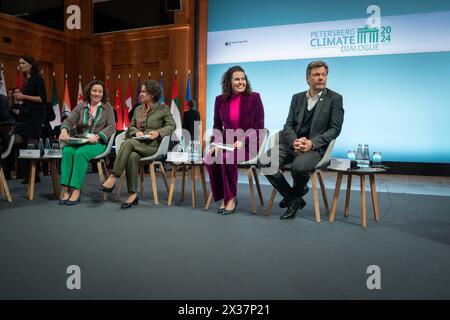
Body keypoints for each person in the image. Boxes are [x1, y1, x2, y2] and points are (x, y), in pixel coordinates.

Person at [264, 60, 344, 220]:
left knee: (298, 168)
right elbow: (288, 125)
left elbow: (335, 129)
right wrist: (294, 141)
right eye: (316, 75)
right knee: (265, 162)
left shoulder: (334, 98)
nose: (321, 78)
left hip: (314, 148)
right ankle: (294, 198)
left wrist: (311, 143)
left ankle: (296, 193)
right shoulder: (297, 97)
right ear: (308, 79)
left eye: (323, 75)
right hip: (291, 144)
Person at [101, 80, 175, 209]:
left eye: (143, 91)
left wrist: (158, 132)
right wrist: (137, 132)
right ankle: (132, 194)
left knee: (128, 143)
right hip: (138, 143)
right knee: (132, 156)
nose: (140, 94)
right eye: (140, 91)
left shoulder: (163, 108)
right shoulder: (138, 109)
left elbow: (172, 125)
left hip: (152, 146)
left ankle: (113, 176)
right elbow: (131, 126)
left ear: (152, 94)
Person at [204, 65, 265, 215]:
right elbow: (217, 126)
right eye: (237, 79)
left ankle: (230, 199)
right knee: (209, 158)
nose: (241, 82)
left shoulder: (254, 97)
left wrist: (243, 140)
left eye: (243, 78)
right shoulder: (220, 100)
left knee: (227, 158)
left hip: (248, 145)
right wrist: (216, 144)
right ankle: (223, 195)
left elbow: (259, 127)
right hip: (228, 143)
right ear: (229, 82)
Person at [58, 80, 116, 205]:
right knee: (67, 151)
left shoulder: (107, 107)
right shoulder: (81, 106)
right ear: (89, 92)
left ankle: (76, 190)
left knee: (79, 154)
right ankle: (65, 188)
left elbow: (112, 127)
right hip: (81, 140)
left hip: (98, 143)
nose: (97, 93)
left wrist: (98, 136)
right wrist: (63, 130)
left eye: (100, 91)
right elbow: (68, 121)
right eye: (94, 90)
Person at [12, 56, 47, 182]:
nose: (20, 65)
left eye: (23, 63)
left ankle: (33, 175)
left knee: (30, 143)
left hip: (35, 116)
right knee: (27, 144)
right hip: (26, 115)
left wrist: (23, 96)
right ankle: (32, 175)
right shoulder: (26, 80)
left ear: (30, 65)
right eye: (19, 63)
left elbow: (42, 99)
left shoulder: (37, 78)